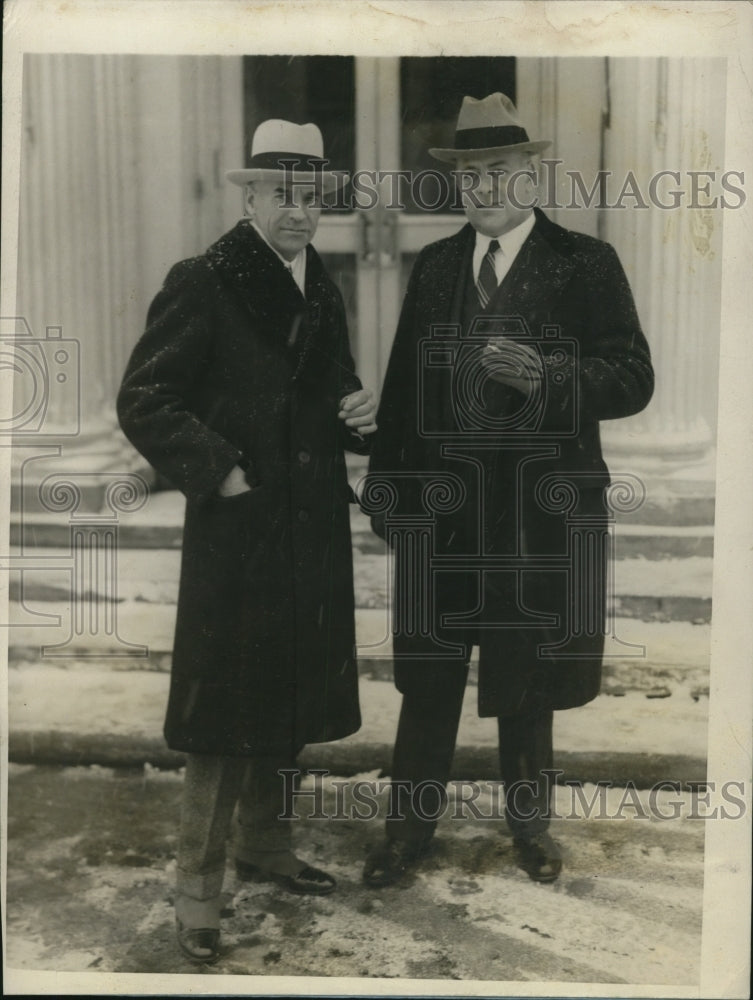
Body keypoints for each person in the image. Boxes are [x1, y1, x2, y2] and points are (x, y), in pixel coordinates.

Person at [362, 92, 654, 887]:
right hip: (445, 515)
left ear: (529, 175)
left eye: (498, 171)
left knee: (525, 681)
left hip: (535, 515)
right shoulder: (436, 266)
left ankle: (530, 829)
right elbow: (399, 395)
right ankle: (405, 834)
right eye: (469, 175)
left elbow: (631, 378)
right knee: (428, 680)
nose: (483, 189)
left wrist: (550, 376)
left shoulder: (584, 263)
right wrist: (389, 497)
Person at [117, 119, 377, 963]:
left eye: (314, 198)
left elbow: (328, 381)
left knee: (287, 691)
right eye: (284, 196)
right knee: (221, 717)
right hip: (240, 526)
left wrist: (359, 412)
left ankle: (263, 846)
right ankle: (196, 891)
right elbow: (146, 398)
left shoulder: (317, 280)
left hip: (309, 526)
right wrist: (217, 469)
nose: (301, 213)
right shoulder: (204, 279)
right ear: (252, 196)